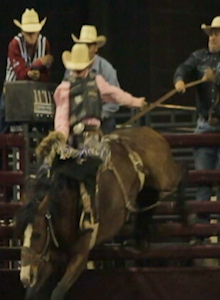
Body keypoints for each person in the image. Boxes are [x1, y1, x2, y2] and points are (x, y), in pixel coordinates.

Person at [52, 43, 146, 229]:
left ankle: (91, 211)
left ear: (87, 67)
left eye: (80, 69)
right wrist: (61, 138)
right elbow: (62, 116)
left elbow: (115, 94)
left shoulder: (98, 82)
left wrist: (135, 102)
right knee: (54, 168)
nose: (78, 73)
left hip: (92, 137)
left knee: (90, 166)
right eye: (75, 70)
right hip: (72, 137)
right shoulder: (64, 89)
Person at [173, 16, 220, 244]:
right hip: (205, 124)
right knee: (203, 180)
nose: (212, 37)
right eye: (211, 33)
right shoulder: (199, 57)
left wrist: (217, 79)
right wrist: (180, 79)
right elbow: (184, 68)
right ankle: (202, 233)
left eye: (216, 33)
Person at [0, 8, 53, 170]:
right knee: (0, 138)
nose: (31, 37)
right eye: (28, 33)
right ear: (22, 32)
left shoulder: (44, 43)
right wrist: (39, 64)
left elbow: (45, 74)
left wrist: (39, 70)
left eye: (34, 33)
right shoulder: (14, 44)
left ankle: (44, 171)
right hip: (12, 94)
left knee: (44, 134)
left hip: (35, 94)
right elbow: (21, 72)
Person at [64, 25, 120, 134]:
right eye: (82, 45)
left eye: (88, 46)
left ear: (96, 47)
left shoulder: (106, 69)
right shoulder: (71, 68)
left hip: (103, 122)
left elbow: (114, 101)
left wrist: (97, 115)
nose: (84, 49)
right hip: (77, 120)